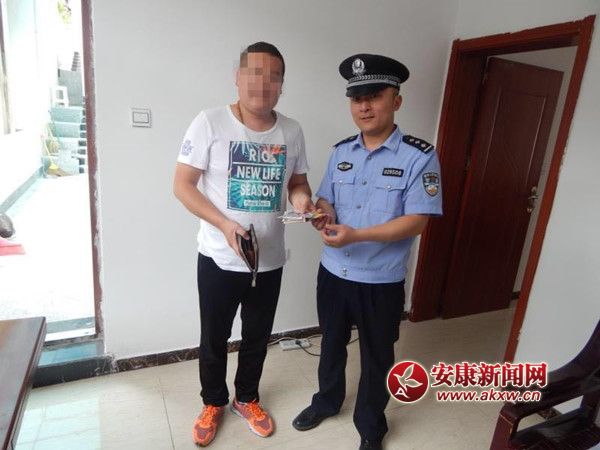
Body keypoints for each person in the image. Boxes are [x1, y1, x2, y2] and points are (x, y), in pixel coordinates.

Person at [292, 54, 443, 450]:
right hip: (333, 272)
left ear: (396, 100)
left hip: (380, 280)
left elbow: (417, 220)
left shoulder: (419, 156)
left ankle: (371, 424)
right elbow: (326, 197)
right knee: (331, 343)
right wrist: (321, 213)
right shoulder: (342, 151)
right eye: (357, 98)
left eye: (374, 96)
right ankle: (327, 402)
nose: (364, 106)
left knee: (378, 355)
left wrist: (356, 235)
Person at [174, 41, 314, 447]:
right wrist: (224, 225)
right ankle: (213, 402)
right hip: (219, 258)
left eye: (274, 77)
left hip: (269, 261)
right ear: (237, 77)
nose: (263, 84)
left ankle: (247, 398)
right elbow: (182, 185)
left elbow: (298, 183)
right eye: (254, 73)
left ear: (282, 85)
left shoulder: (292, 130)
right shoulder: (210, 122)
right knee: (214, 337)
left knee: (257, 336)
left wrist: (303, 202)